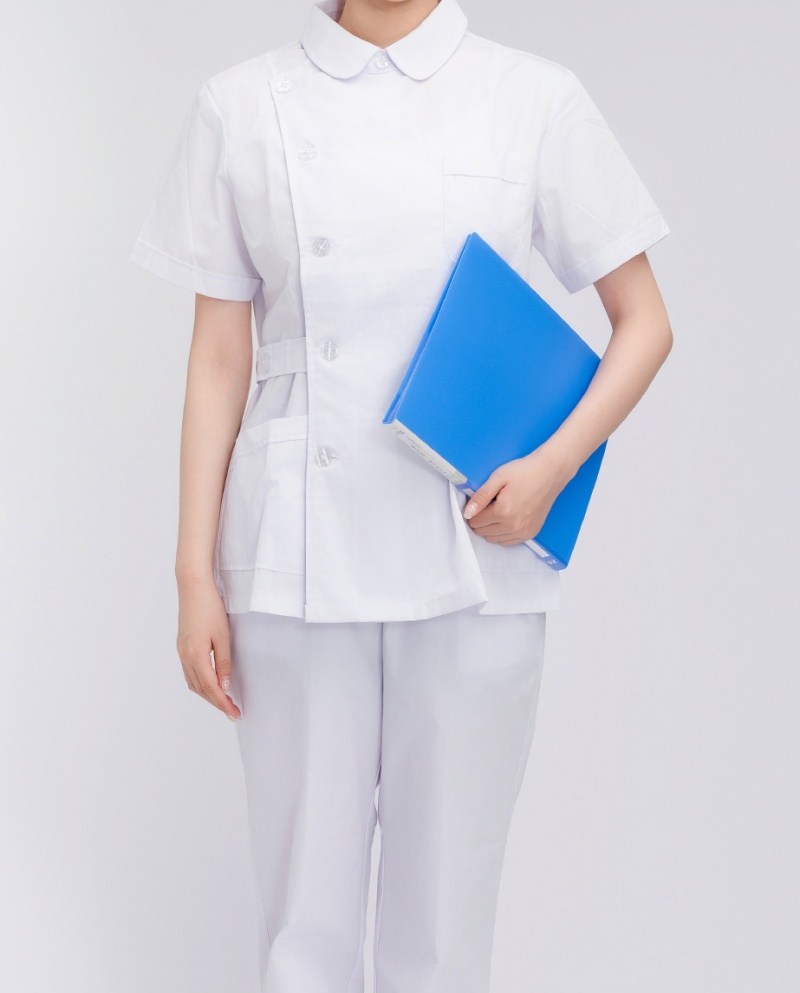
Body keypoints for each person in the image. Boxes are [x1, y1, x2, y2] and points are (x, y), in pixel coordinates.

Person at [129, 0, 673, 989]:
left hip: (476, 546)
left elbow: (644, 323)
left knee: (445, 924)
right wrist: (191, 575)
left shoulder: (532, 96)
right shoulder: (240, 105)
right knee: (302, 924)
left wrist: (552, 467)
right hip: (296, 550)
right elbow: (218, 361)